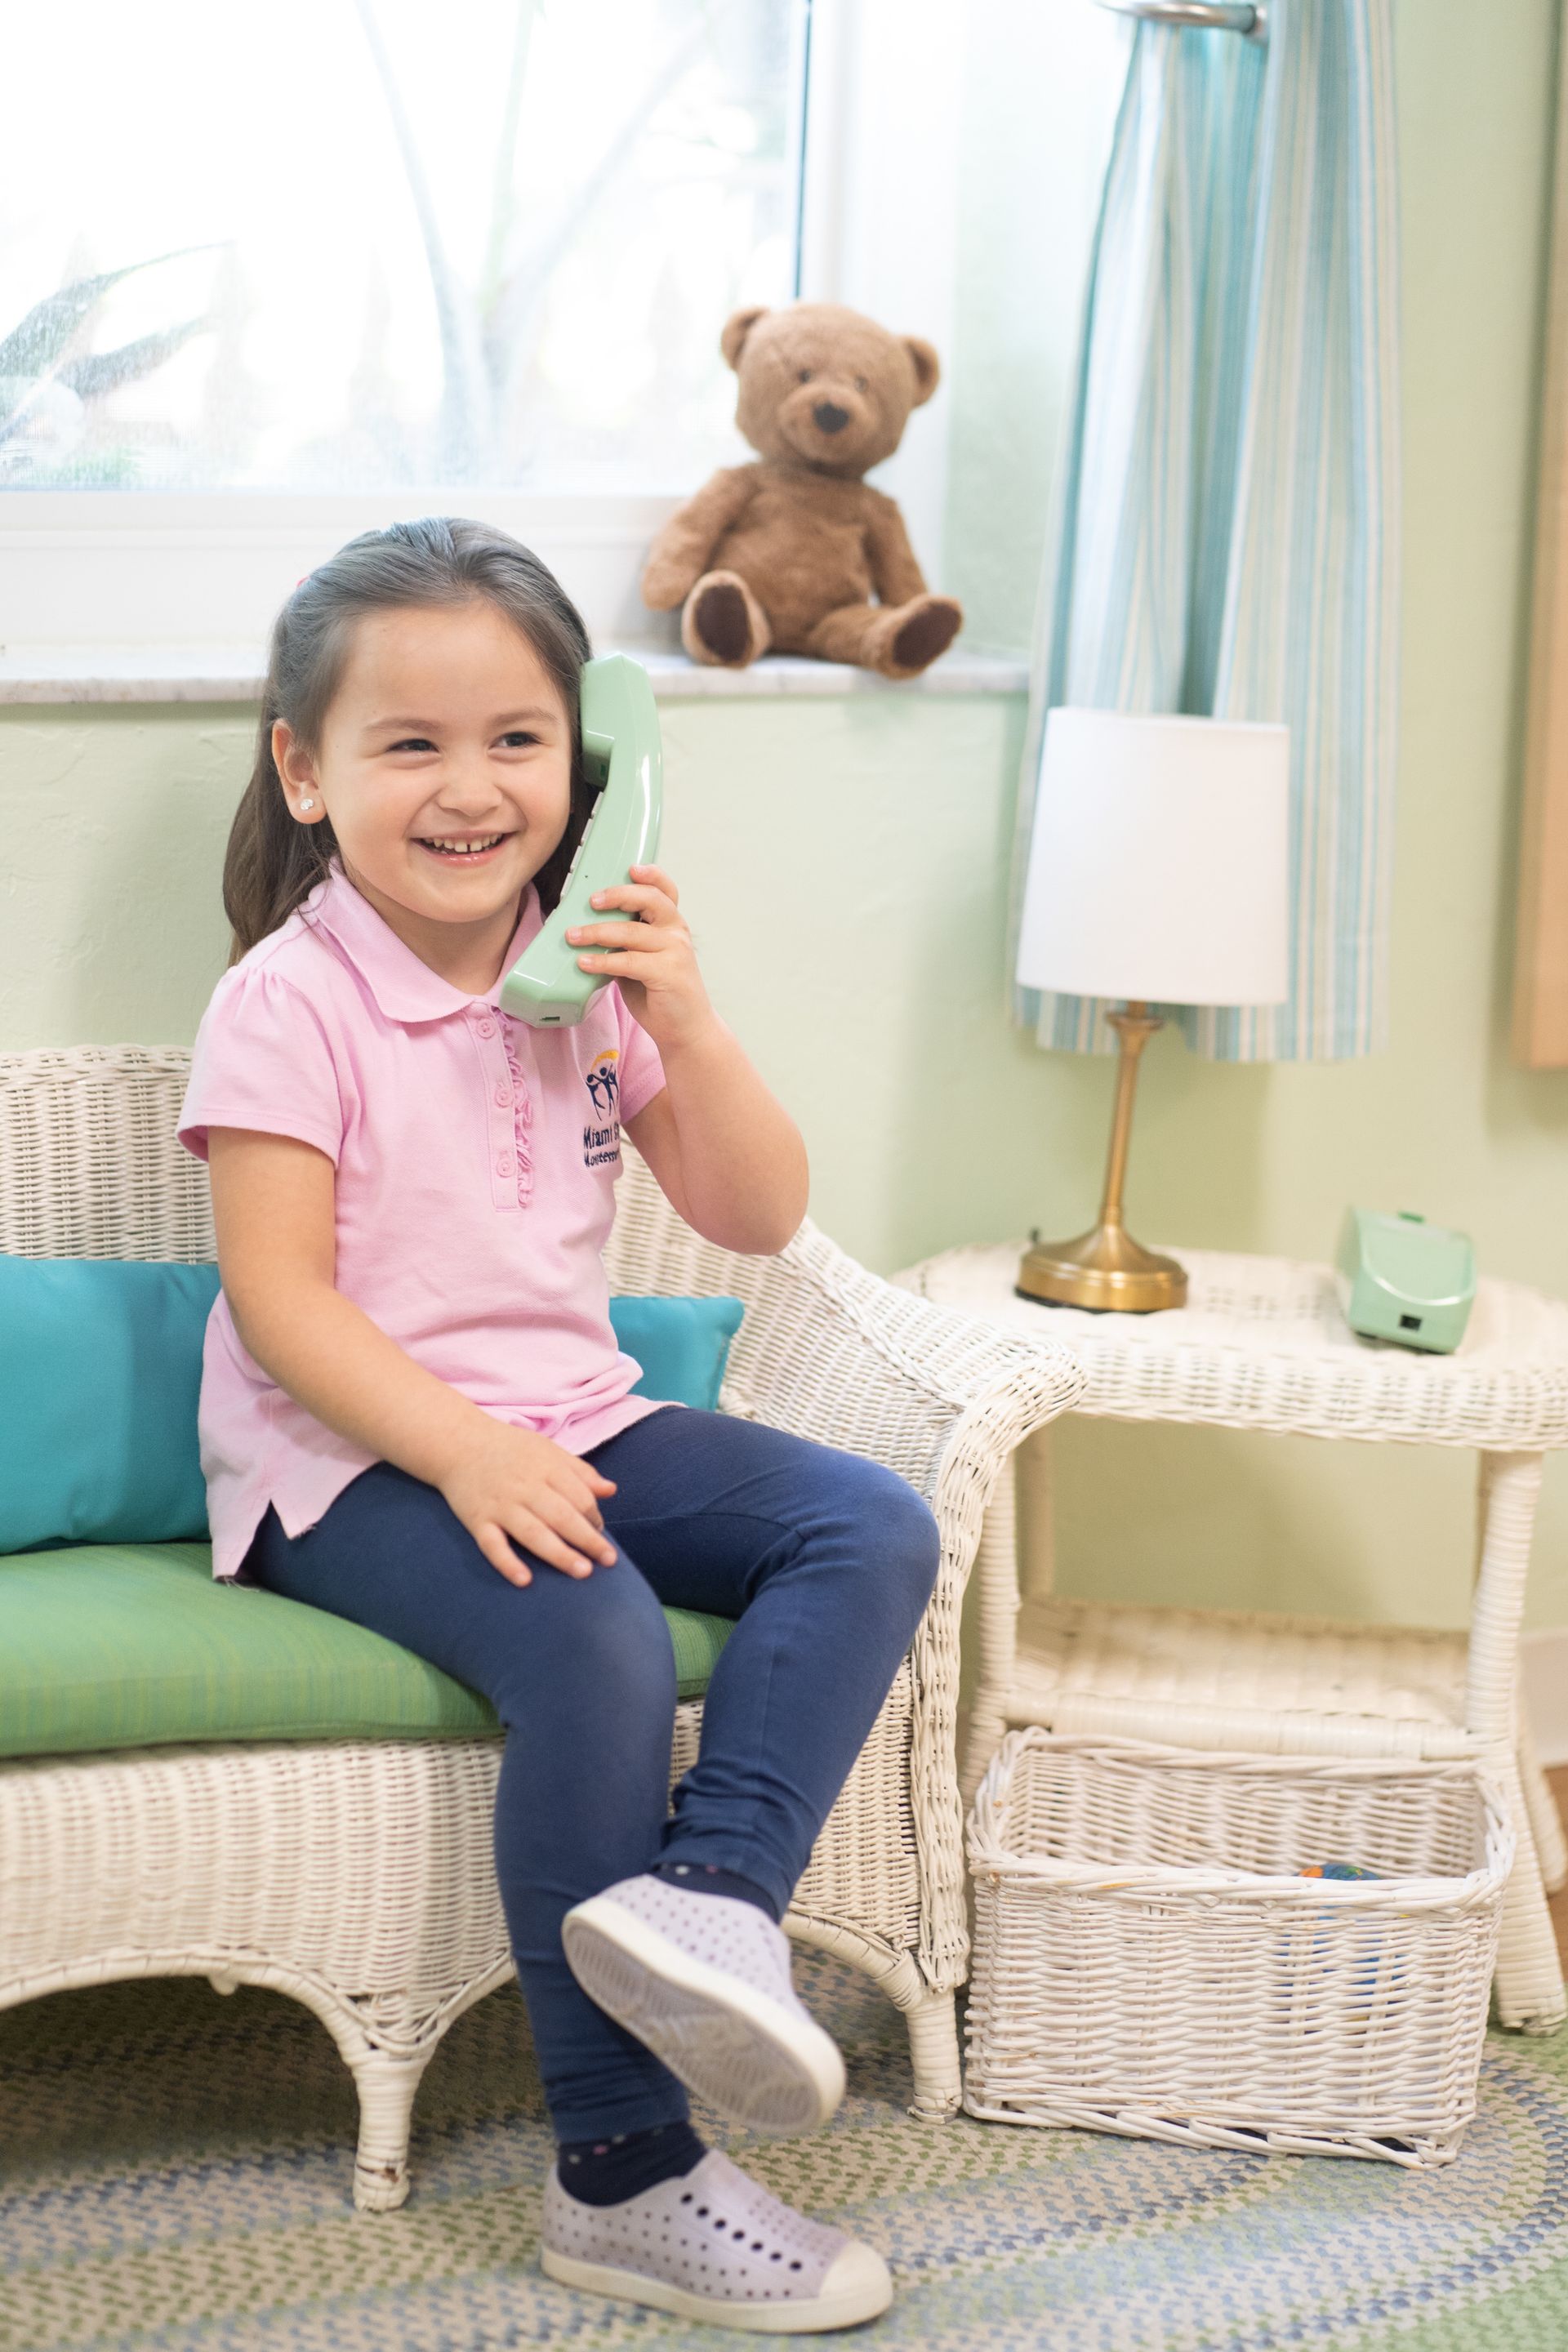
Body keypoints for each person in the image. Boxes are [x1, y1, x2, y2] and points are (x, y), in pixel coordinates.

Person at [175, 515, 940, 2334]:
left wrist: (683, 1006)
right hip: (344, 1457)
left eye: (517, 739)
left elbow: (755, 1214)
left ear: (591, 761)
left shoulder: (588, 973)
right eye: (409, 743)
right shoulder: (287, 1000)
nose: (469, 788)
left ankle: (714, 1904)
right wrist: (457, 1450)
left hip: (578, 1411)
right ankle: (622, 2172)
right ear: (307, 767)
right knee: (592, 1634)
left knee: (870, 1523)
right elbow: (283, 1305)